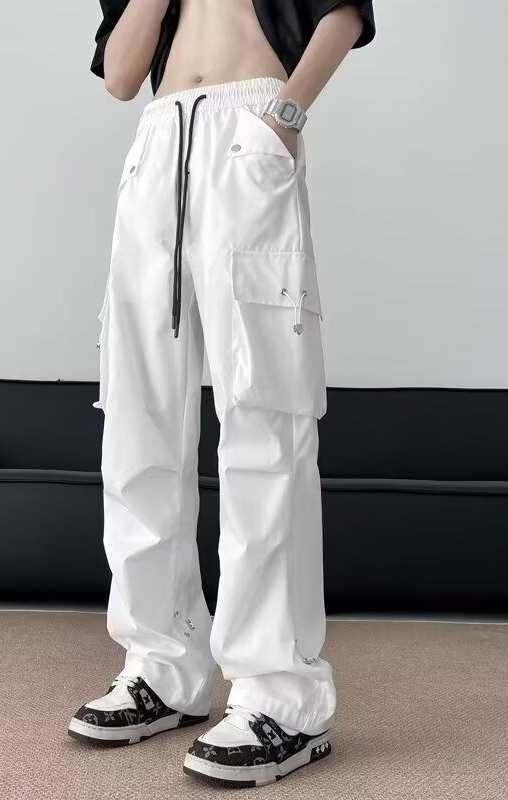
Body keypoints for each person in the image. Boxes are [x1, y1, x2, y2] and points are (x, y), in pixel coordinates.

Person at [69, 0, 375, 787]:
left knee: (264, 415)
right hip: (156, 143)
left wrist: (284, 117)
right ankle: (161, 665)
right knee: (136, 421)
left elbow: (344, 11)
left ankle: (281, 695)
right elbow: (120, 76)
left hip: (250, 129)